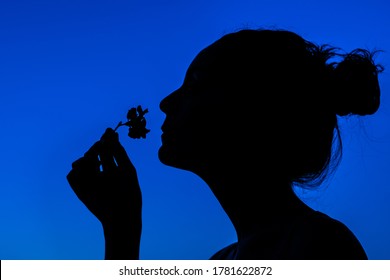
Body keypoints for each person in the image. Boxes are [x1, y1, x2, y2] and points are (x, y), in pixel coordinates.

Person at [66, 28, 384, 260]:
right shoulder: (224, 261)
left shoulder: (320, 247)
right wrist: (121, 226)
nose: (166, 102)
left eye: (194, 84)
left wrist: (122, 230)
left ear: (250, 108)